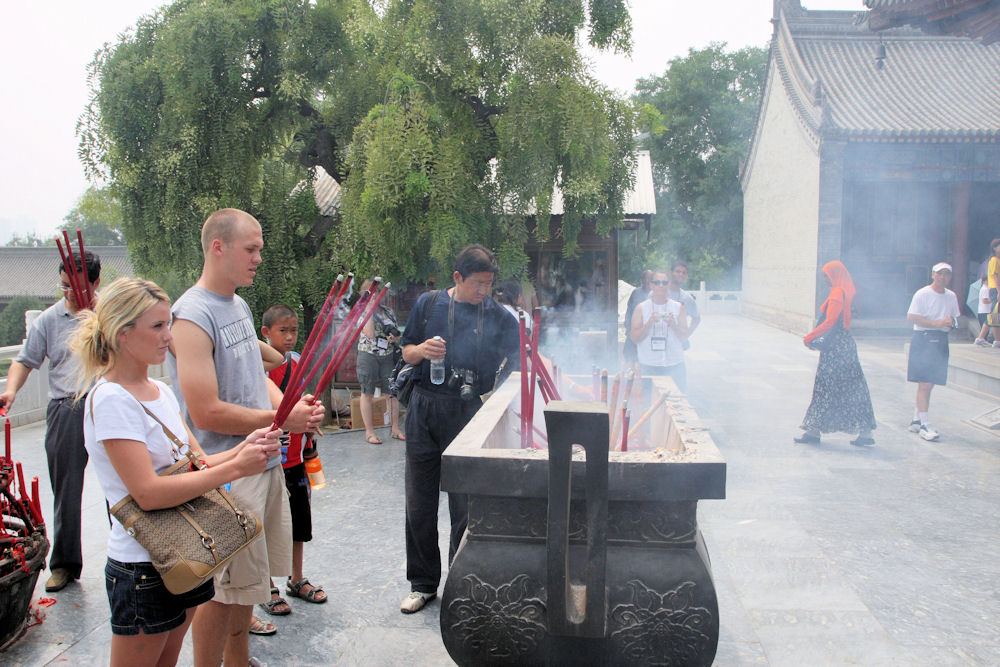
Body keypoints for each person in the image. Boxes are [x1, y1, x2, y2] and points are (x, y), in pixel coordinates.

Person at [72, 277, 280, 667]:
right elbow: (147, 492)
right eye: (157, 326)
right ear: (121, 332)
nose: (169, 336)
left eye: (168, 324)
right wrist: (236, 466)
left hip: (185, 554)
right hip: (141, 566)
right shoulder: (112, 399)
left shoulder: (160, 391)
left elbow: (197, 462)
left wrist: (247, 447)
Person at [166, 208, 324, 666]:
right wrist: (279, 420)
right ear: (219, 247)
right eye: (251, 249)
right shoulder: (191, 316)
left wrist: (289, 409)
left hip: (262, 463)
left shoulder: (238, 305)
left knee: (245, 590)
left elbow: (260, 377)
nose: (258, 258)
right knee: (219, 594)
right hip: (225, 476)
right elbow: (206, 411)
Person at [398, 244, 519, 614]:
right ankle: (423, 584)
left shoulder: (498, 316)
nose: (484, 291)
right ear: (457, 277)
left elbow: (520, 359)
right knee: (419, 501)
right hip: (423, 406)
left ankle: (461, 581)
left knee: (465, 504)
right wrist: (422, 351)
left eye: (489, 284)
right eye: (478, 283)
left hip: (468, 410)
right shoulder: (429, 304)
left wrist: (495, 398)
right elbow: (405, 351)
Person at [0, 250, 101, 592]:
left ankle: (132, 562)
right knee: (66, 493)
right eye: (63, 286)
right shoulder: (49, 319)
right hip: (65, 409)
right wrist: (11, 391)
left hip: (107, 405)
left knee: (125, 487)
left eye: (76, 287)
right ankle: (65, 565)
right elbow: (25, 360)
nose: (69, 293)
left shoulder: (110, 314)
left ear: (95, 283)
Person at [250, 304, 327, 634]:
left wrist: (312, 416)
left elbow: (303, 403)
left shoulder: (297, 364)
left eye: (294, 331)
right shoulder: (258, 370)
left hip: (296, 459)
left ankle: (296, 578)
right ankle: (265, 586)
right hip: (267, 462)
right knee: (264, 526)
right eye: (283, 331)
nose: (290, 337)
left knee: (299, 523)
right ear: (265, 333)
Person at [794, 261, 877, 446]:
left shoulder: (838, 293)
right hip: (845, 346)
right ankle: (865, 433)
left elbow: (830, 321)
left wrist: (810, 337)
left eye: (826, 275)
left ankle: (814, 432)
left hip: (836, 349)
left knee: (825, 389)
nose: (824, 278)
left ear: (835, 275)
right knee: (853, 388)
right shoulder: (845, 291)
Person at [906, 262, 961, 442]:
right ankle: (924, 423)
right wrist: (936, 323)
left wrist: (950, 323)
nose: (943, 277)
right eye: (939, 274)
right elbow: (912, 317)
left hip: (941, 340)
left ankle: (916, 419)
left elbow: (954, 318)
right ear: (933, 275)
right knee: (925, 383)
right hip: (924, 338)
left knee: (930, 382)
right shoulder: (922, 294)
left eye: (947, 274)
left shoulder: (951, 296)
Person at [356, 280, 405, 444]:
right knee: (367, 392)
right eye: (372, 293)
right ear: (365, 295)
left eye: (378, 293)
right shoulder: (361, 312)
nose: (376, 296)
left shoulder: (388, 312)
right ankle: (369, 432)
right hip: (368, 354)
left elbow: (397, 334)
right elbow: (369, 333)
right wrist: (369, 310)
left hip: (387, 355)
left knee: (391, 393)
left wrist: (394, 338)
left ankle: (395, 428)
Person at [630, 269, 690, 391]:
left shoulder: (678, 307)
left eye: (664, 282)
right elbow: (634, 338)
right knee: (648, 404)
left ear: (669, 284)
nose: (661, 286)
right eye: (657, 282)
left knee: (677, 403)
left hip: (674, 364)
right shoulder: (641, 308)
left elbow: (684, 337)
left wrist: (674, 325)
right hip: (649, 364)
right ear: (651, 285)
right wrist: (649, 323)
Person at [667, 262, 701, 346]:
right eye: (678, 271)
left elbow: (697, 318)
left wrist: (686, 335)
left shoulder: (687, 299)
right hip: (657, 341)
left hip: (677, 343)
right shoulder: (658, 292)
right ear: (671, 272)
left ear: (686, 276)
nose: (681, 274)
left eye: (684, 273)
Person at [623, 270, 653, 364]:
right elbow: (629, 311)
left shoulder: (656, 295)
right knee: (630, 359)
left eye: (650, 279)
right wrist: (628, 328)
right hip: (633, 333)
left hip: (648, 336)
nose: (647, 281)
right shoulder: (636, 293)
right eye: (645, 278)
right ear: (642, 280)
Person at [974, 238, 1000, 347]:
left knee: (995, 314)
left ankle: (996, 340)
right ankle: (983, 338)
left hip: (995, 289)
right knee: (994, 314)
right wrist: (999, 290)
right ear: (994, 248)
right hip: (995, 289)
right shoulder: (994, 260)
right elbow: (995, 276)